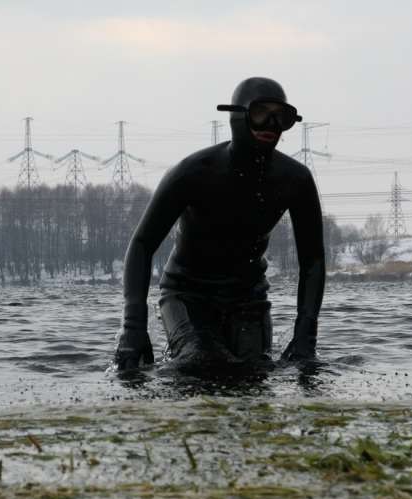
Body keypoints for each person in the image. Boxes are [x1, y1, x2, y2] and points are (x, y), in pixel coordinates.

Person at [114, 77, 325, 374]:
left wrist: (306, 335)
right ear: (237, 115)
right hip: (186, 295)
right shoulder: (193, 173)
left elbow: (313, 259)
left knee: (256, 373)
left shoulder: (295, 179)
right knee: (200, 364)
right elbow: (142, 244)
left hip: (248, 300)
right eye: (261, 113)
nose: (271, 125)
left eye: (283, 117)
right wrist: (133, 327)